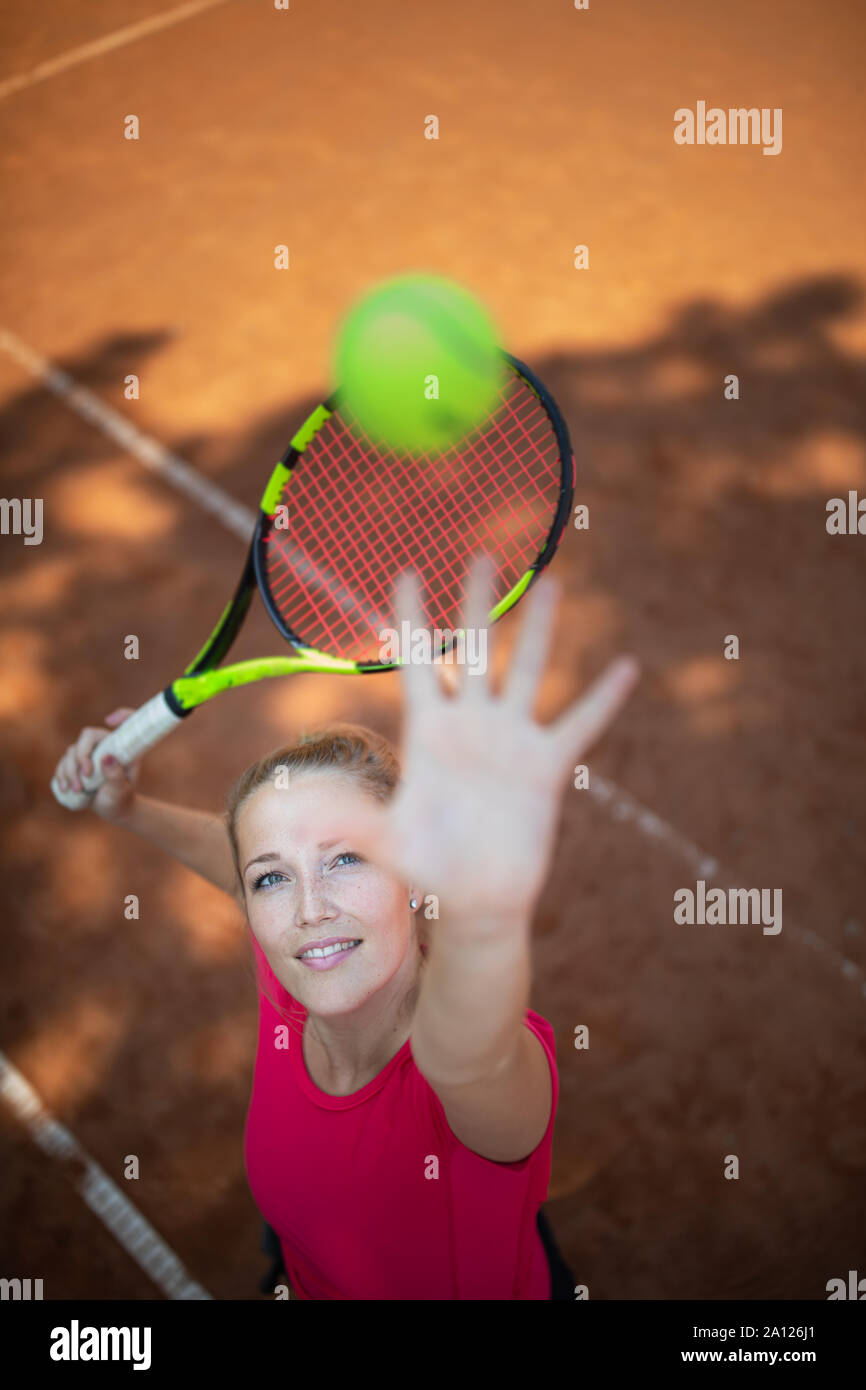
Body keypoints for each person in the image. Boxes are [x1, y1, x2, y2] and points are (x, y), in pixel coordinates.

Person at [53, 558, 639, 1299]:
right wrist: (126, 809)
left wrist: (485, 915)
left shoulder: (469, 1081)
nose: (308, 910)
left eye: (345, 861)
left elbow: (468, 1059)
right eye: (273, 878)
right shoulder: (298, 969)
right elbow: (234, 861)